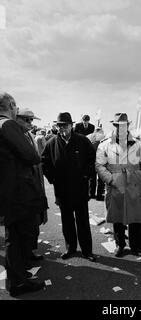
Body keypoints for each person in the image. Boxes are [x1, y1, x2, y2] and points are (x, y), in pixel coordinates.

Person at [0, 92, 45, 296]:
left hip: (8, 192)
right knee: (16, 239)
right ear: (11, 105)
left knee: (14, 238)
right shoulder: (7, 125)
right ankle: (17, 282)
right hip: (17, 193)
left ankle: (17, 277)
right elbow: (31, 156)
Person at [42, 112, 96, 262]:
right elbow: (44, 162)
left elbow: (92, 161)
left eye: (65, 125)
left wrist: (86, 176)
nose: (62, 128)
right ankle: (70, 248)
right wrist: (52, 178)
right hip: (62, 190)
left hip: (79, 189)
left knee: (83, 221)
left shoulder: (82, 140)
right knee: (67, 221)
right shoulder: (51, 143)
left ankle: (87, 251)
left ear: (72, 125)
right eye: (59, 126)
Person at [96, 113, 141, 257]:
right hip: (115, 185)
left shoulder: (137, 144)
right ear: (115, 126)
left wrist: (138, 178)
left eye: (124, 125)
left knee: (135, 218)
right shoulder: (105, 144)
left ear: (128, 126)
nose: (121, 128)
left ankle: (135, 246)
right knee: (118, 217)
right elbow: (99, 165)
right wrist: (111, 180)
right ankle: (120, 245)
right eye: (118, 125)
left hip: (133, 185)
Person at [16, 108, 48, 264]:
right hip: (24, 186)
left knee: (34, 223)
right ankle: (23, 257)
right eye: (26, 119)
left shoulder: (30, 135)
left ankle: (29, 252)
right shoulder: (14, 136)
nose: (30, 123)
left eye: (31, 120)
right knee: (24, 226)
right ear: (17, 119)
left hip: (35, 182)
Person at [87, 125, 106, 200]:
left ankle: (91, 194)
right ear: (101, 131)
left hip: (91, 159)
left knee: (92, 177)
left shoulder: (88, 136)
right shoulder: (104, 136)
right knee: (101, 179)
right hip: (100, 159)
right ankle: (99, 195)